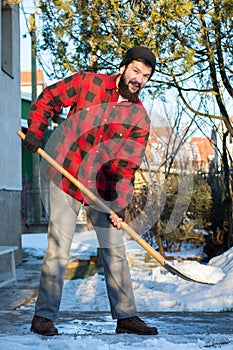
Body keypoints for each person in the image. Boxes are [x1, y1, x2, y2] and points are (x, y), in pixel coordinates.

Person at [24, 46, 158, 336]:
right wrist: (36, 129)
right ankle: (43, 317)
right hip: (66, 174)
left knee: (115, 249)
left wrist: (119, 203)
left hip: (101, 188)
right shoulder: (88, 83)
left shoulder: (139, 118)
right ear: (122, 68)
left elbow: (126, 165)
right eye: (135, 71)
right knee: (59, 247)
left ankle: (126, 317)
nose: (139, 79)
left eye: (145, 76)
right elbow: (49, 98)